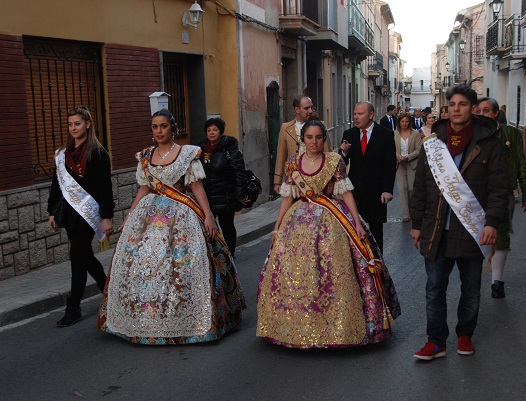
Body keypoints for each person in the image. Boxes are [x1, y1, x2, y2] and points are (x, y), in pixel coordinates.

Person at [97, 109, 246, 345]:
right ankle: (145, 321)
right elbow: (144, 189)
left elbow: (196, 188)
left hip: (182, 216)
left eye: (163, 126)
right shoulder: (145, 156)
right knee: (145, 262)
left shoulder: (186, 154)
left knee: (182, 264)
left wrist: (208, 216)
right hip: (149, 215)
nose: (158, 131)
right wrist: (129, 216)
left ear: (172, 128)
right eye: (155, 127)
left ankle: (186, 317)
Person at [256, 119, 401, 348]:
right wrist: (277, 227)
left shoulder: (335, 162)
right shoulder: (292, 165)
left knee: (336, 270)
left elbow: (346, 194)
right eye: (309, 137)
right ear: (303, 139)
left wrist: (357, 222)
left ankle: (339, 326)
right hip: (298, 222)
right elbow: (287, 198)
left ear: (324, 139)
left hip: (332, 220)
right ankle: (294, 326)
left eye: (318, 137)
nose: (314, 142)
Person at [410, 85, 508, 360]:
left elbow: (499, 188)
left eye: (462, 104)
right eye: (452, 104)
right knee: (434, 289)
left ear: (472, 109)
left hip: (472, 229)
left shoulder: (490, 143)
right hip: (437, 229)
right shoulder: (434, 143)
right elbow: (421, 186)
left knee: (471, 290)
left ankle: (465, 335)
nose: (455, 108)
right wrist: (416, 223)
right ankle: (436, 341)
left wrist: (491, 222)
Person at [47, 106, 114, 327]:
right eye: (70, 124)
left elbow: (105, 187)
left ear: (87, 124)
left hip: (89, 213)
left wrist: (106, 217)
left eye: (77, 123)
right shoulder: (62, 154)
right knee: (84, 255)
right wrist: (51, 211)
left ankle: (73, 307)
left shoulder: (98, 153)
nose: (73, 128)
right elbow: (57, 185)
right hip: (70, 214)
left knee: (76, 257)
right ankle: (107, 288)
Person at [475, 97, 526, 298]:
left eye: (486, 111)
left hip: (503, 192)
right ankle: (472, 280)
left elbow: (521, 162)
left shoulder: (511, 134)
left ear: (495, 113)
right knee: (474, 236)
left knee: (500, 235)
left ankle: (496, 281)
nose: (482, 114)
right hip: (475, 194)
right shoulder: (471, 134)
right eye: (479, 111)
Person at [340, 101, 396, 251]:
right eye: (355, 114)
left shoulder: (386, 135)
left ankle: (378, 268)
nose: (356, 118)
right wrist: (343, 152)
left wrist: (387, 189)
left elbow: (390, 165)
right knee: (354, 231)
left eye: (360, 114)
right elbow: (342, 163)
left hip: (376, 193)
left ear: (371, 115)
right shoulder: (349, 134)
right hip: (355, 193)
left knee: (376, 235)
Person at [198, 117, 249, 256]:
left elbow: (239, 172)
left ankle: (230, 254)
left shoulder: (229, 148)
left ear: (221, 132)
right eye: (209, 130)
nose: (212, 133)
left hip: (226, 195)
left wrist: (240, 194)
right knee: (207, 227)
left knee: (227, 227)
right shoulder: (201, 149)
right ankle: (213, 256)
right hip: (207, 196)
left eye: (215, 130)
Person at [273, 95, 330, 194]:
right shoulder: (286, 128)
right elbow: (281, 156)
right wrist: (277, 181)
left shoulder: (320, 126)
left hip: (316, 178)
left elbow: (327, 153)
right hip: (294, 179)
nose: (311, 111)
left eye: (312, 107)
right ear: (297, 109)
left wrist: (329, 179)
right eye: (306, 108)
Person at [394, 112, 421, 223]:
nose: (404, 124)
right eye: (402, 122)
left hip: (411, 163)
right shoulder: (395, 134)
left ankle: (413, 210)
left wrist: (408, 157)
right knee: (402, 188)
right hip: (399, 164)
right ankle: (405, 214)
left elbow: (419, 149)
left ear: (409, 122)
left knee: (411, 188)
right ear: (399, 122)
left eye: (406, 122)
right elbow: (391, 148)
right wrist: (398, 156)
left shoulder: (415, 134)